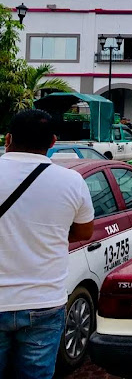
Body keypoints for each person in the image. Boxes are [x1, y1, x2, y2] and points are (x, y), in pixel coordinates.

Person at [0, 110, 95, 379]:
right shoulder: (71, 181)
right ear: (53, 142)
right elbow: (85, 231)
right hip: (43, 301)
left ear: (8, 139)